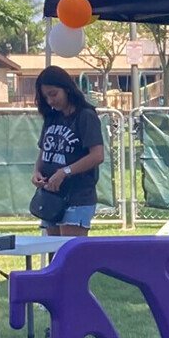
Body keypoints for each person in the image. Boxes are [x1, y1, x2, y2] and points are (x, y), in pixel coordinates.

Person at [32, 66, 107, 236]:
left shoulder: (85, 115)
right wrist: (37, 171)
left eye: (53, 94)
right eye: (46, 97)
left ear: (66, 89)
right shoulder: (52, 117)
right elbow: (44, 149)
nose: (50, 101)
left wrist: (65, 171)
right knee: (54, 254)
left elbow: (97, 155)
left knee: (70, 254)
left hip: (77, 196)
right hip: (50, 196)